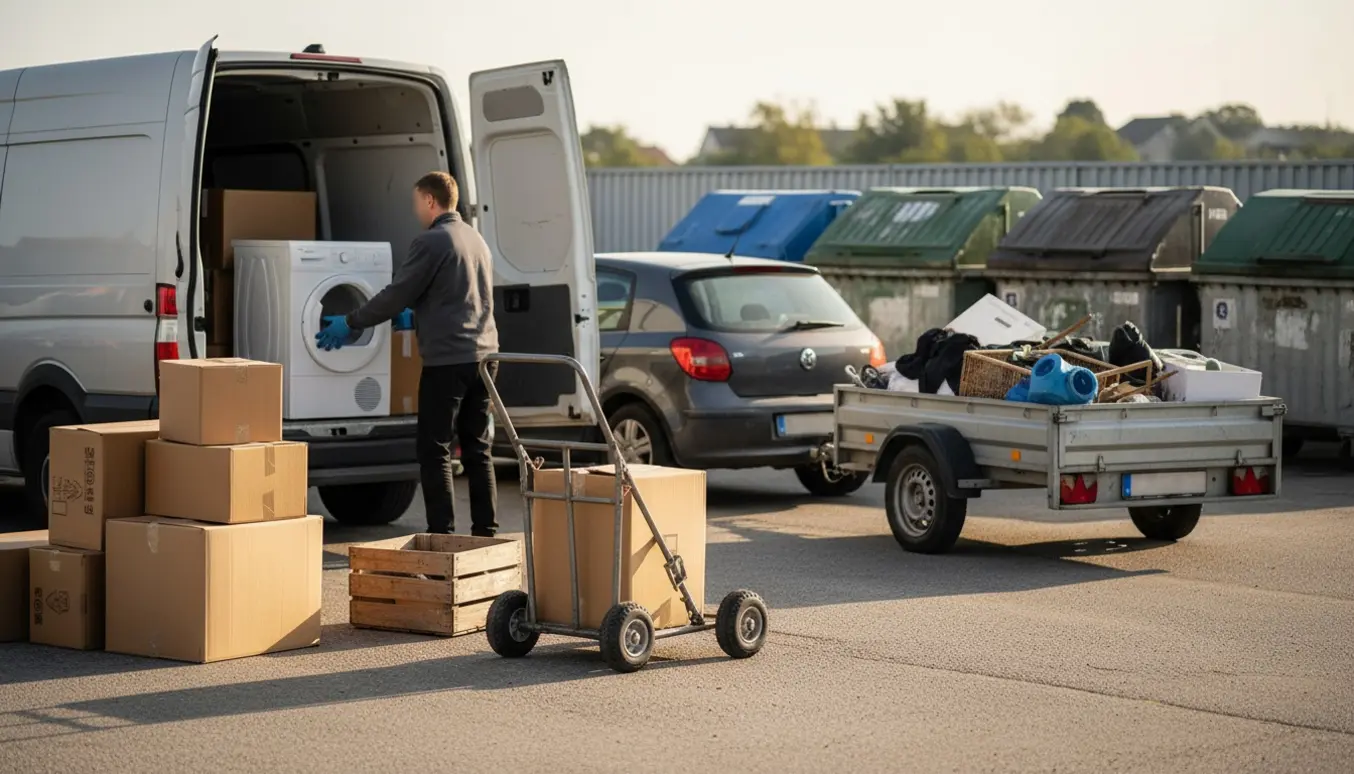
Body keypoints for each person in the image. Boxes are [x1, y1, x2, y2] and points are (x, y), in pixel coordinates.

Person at [316, 171, 499, 536]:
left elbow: (395, 294)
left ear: (430, 200)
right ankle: (487, 533)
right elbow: (459, 298)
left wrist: (352, 321)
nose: (415, 210)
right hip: (486, 357)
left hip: (448, 360)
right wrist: (416, 317)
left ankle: (442, 535)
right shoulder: (475, 239)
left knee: (434, 449)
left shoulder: (431, 241)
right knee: (477, 448)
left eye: (416, 202)